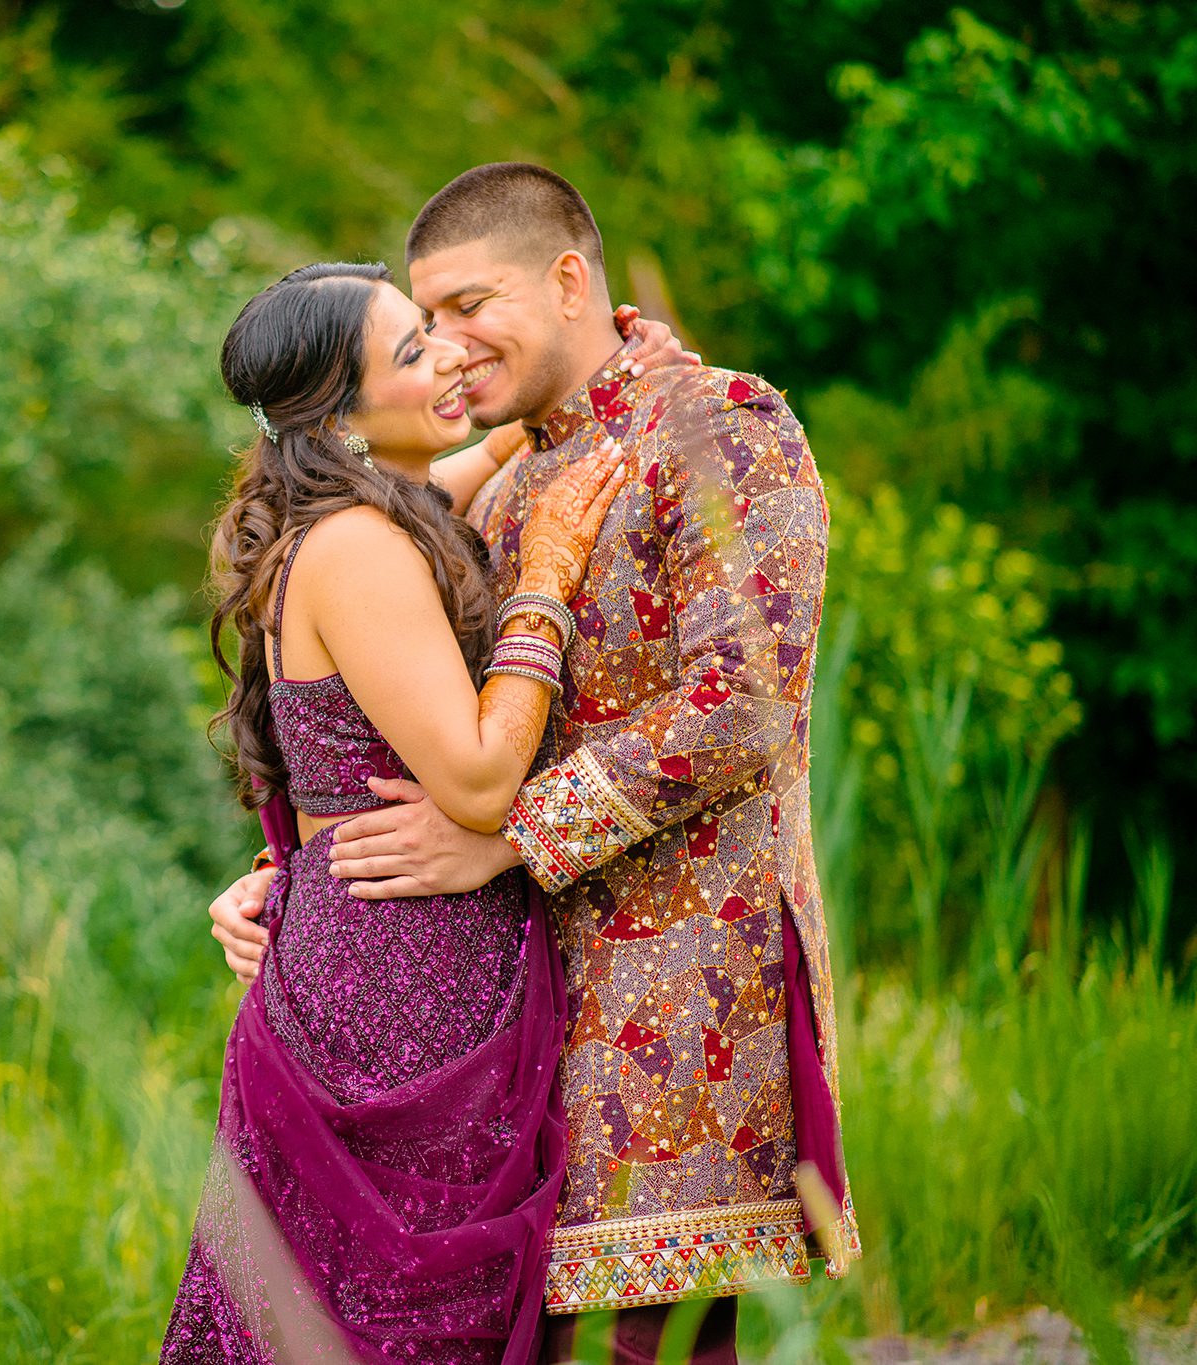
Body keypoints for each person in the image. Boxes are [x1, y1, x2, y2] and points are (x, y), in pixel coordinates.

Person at [206, 164, 857, 1365]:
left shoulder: (720, 424)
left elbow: (739, 706)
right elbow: (390, 704)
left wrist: (507, 835)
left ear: (567, 280)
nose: (447, 348)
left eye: (464, 308)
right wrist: (287, 871)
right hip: (491, 1028)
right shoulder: (492, 474)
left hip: (664, 996)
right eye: (423, 325)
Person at [161, 258, 643, 1363]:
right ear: (340, 415)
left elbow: (476, 455)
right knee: (389, 1314)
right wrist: (544, 587)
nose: (448, 357)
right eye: (415, 349)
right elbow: (476, 783)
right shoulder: (359, 548)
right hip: (394, 991)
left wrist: (599, 368)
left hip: (395, 951)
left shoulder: (383, 510)